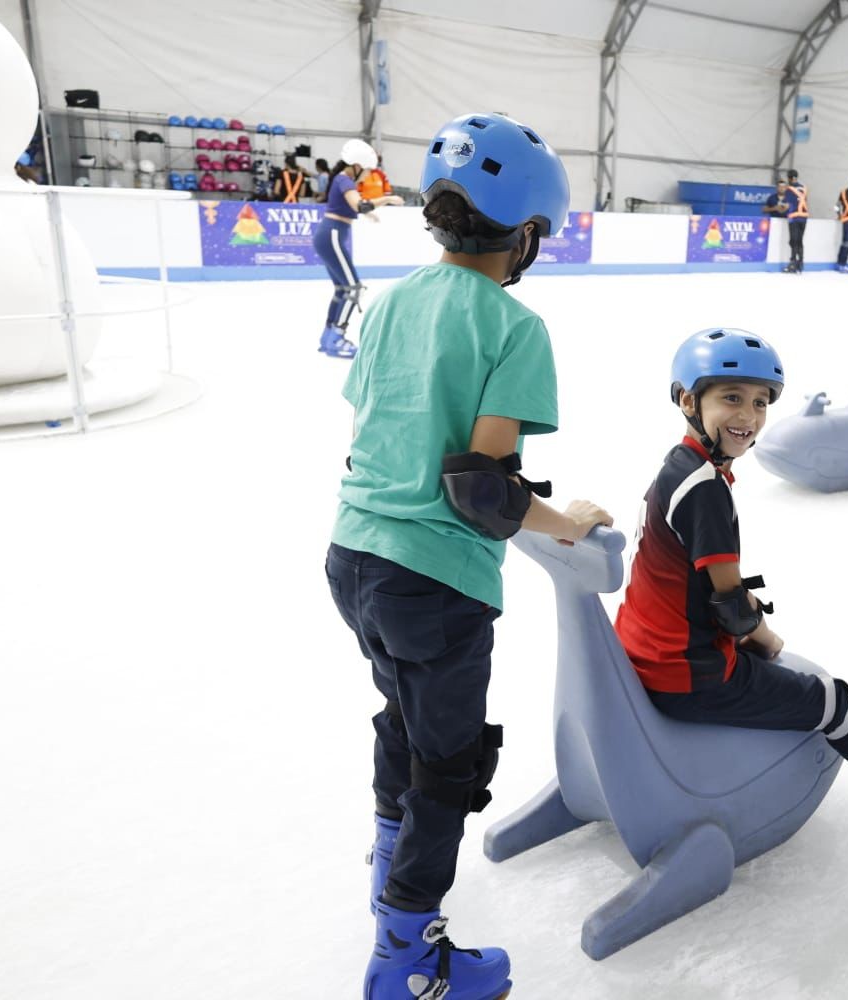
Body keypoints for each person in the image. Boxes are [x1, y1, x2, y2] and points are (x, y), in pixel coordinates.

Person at [327, 112, 613, 1000]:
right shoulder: (514, 327)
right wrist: (567, 522)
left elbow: (381, 432)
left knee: (401, 722)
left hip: (353, 557)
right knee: (448, 765)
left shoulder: (392, 302)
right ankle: (408, 959)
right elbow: (480, 490)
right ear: (527, 233)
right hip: (433, 581)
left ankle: (389, 878)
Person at [613, 328, 848, 853]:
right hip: (688, 675)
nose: (748, 416)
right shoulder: (704, 489)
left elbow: (694, 584)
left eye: (760, 402)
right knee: (832, 700)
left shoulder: (678, 468)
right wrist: (761, 636)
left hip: (650, 655)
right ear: (687, 400)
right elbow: (729, 605)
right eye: (731, 398)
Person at [313, 139, 403, 359]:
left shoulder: (341, 180)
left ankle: (328, 337)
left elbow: (354, 206)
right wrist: (387, 199)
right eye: (367, 171)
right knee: (353, 288)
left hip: (330, 234)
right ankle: (337, 337)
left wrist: (368, 214)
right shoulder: (345, 180)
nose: (367, 175)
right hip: (333, 234)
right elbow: (360, 205)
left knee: (342, 289)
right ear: (357, 166)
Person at [781, 168, 808, 273]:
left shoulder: (789, 189)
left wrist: (781, 208)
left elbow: (786, 205)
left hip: (794, 218)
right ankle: (800, 264)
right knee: (800, 241)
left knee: (793, 241)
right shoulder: (804, 188)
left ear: (790, 178)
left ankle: (793, 263)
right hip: (804, 217)